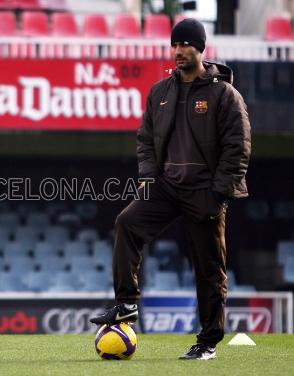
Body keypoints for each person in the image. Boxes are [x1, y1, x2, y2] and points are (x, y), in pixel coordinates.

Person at [89, 18, 251, 360]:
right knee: (126, 224)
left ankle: (207, 343)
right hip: (165, 187)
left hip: (205, 192)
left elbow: (238, 148)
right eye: (175, 45)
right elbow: (145, 139)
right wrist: (149, 177)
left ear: (200, 48)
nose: (178, 51)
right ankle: (125, 305)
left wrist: (219, 194)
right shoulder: (160, 92)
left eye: (186, 45)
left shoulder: (224, 95)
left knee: (209, 268)